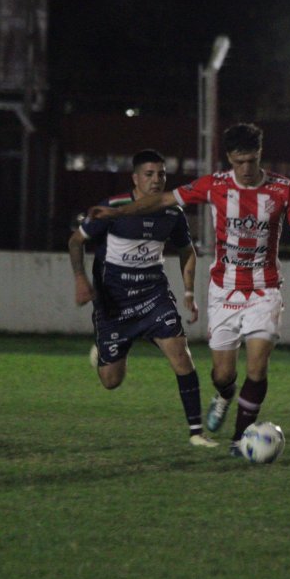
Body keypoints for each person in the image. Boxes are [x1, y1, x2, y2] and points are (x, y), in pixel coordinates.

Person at [92, 123, 290, 456]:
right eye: (238, 161)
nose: (246, 169)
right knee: (222, 373)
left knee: (258, 366)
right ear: (229, 158)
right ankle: (224, 393)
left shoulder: (282, 189)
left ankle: (240, 439)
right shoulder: (213, 185)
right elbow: (160, 200)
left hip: (265, 288)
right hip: (224, 290)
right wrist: (119, 212)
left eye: (252, 160)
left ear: (260, 155)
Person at [69, 149, 217, 448]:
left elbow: (187, 250)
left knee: (182, 358)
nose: (156, 180)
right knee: (111, 381)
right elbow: (76, 240)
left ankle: (197, 433)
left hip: (153, 297)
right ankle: (105, 349)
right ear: (135, 178)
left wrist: (188, 292)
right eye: (149, 174)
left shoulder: (172, 213)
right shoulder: (113, 206)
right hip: (114, 302)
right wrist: (81, 278)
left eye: (161, 174)